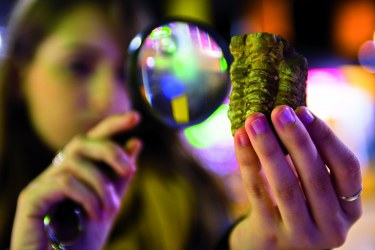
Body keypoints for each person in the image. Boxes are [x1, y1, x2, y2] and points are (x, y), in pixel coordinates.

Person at [0, 0, 363, 249]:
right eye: (78, 66)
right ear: (18, 77)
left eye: (124, 74)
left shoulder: (184, 196)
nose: (110, 99)